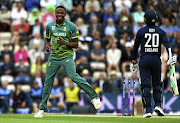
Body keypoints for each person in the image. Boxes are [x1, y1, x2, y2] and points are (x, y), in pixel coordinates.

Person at [34, 6, 101, 118]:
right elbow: (47, 38)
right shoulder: (50, 25)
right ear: (55, 13)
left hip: (67, 56)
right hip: (54, 57)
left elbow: (76, 44)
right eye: (57, 12)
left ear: (65, 14)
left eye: (61, 12)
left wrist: (64, 42)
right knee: (48, 81)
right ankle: (42, 108)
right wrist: (47, 45)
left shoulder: (71, 26)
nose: (59, 14)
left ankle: (94, 97)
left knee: (73, 76)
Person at [130, 10, 177, 118]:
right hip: (156, 59)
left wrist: (133, 61)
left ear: (145, 19)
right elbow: (168, 45)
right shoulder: (160, 31)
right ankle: (158, 105)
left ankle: (148, 110)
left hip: (145, 59)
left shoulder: (141, 31)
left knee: (145, 85)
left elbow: (135, 48)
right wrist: (171, 56)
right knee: (157, 83)